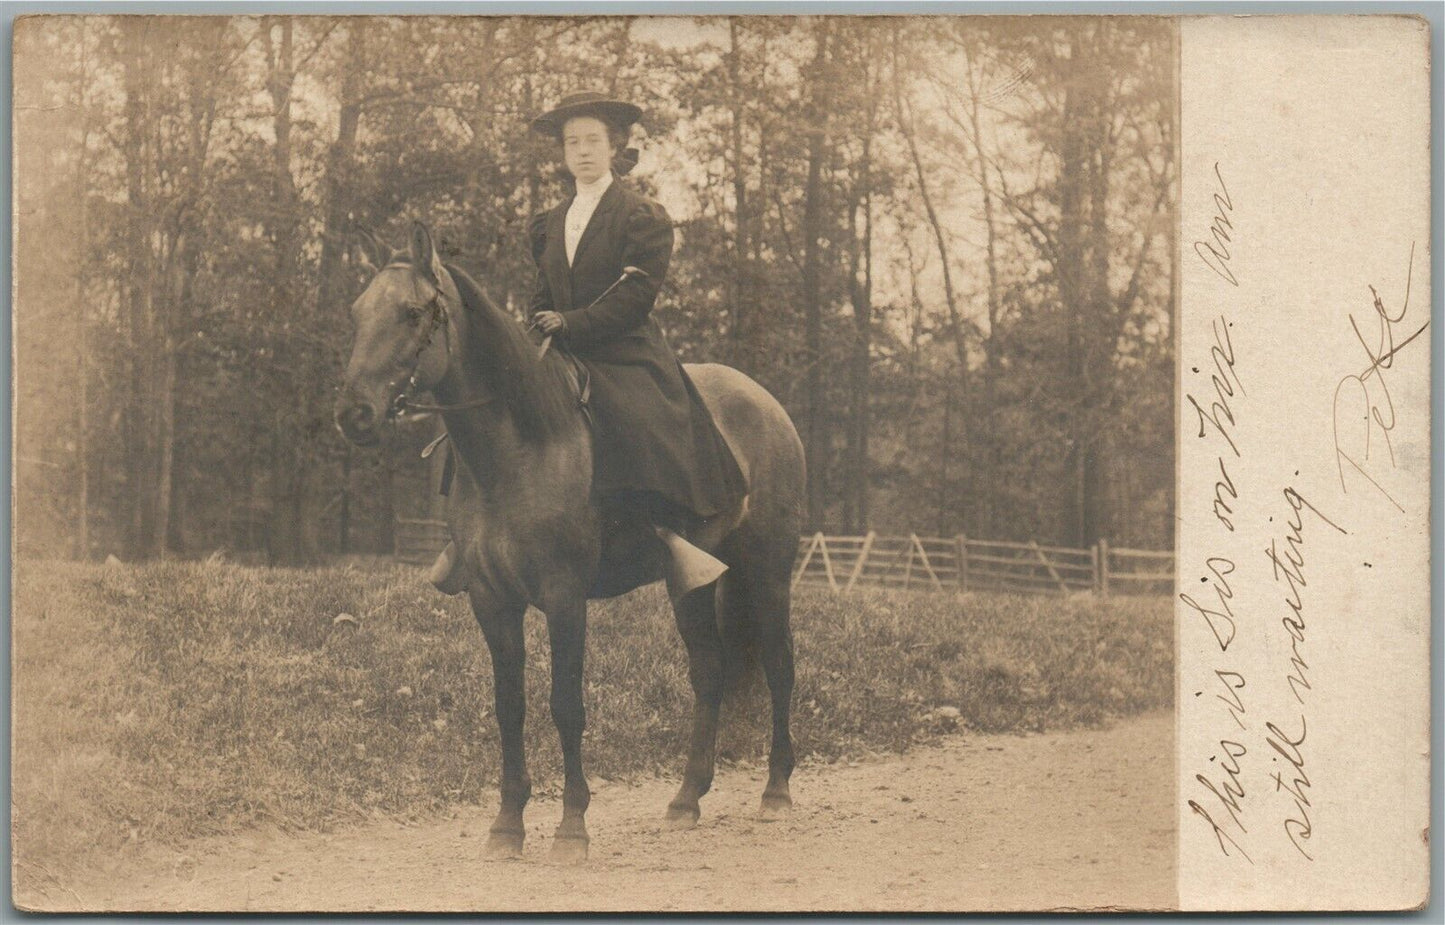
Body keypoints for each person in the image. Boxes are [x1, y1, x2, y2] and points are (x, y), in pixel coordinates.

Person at [431, 91, 746, 597]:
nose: (581, 150)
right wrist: (531, 329)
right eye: (572, 142)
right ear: (563, 153)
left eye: (592, 141)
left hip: (624, 349)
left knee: (638, 419)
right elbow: (543, 290)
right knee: (486, 405)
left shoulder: (642, 215)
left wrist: (571, 321)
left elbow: (636, 295)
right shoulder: (550, 221)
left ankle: (660, 532)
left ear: (614, 146)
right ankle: (469, 536)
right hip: (560, 345)